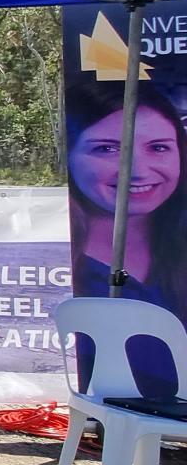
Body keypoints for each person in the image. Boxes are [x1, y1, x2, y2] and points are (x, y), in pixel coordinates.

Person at [66, 79, 187, 397]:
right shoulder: (72, 271)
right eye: (107, 148)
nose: (137, 170)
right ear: (69, 156)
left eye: (158, 147)